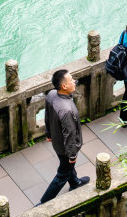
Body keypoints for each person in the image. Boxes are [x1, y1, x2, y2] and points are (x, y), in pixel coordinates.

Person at [39, 69, 89, 204]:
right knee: (62, 174)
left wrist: (48, 133)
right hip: (65, 148)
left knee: (67, 167)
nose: (74, 81)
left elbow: (47, 115)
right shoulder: (67, 109)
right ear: (64, 86)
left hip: (56, 140)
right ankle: (43, 203)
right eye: (71, 80)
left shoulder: (51, 94)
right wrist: (72, 155)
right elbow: (70, 134)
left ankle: (75, 182)